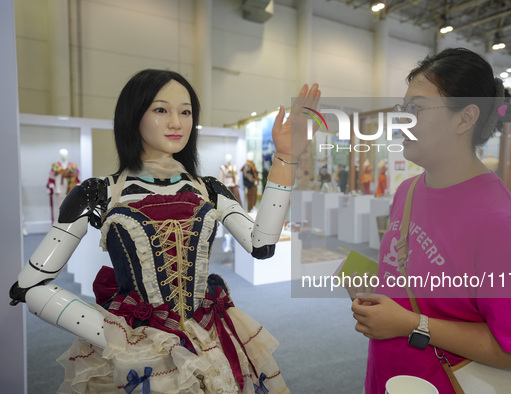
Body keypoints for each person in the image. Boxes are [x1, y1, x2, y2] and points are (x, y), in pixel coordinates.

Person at [10, 69, 320, 393]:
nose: (177, 122)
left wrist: (285, 160)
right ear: (134, 116)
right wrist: (115, 335)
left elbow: (261, 246)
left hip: (207, 338)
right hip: (135, 354)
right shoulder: (98, 193)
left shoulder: (209, 189)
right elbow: (29, 286)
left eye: (185, 112)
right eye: (161, 110)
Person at [350, 48, 511, 393]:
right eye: (402, 109)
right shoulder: (408, 191)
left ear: (465, 118)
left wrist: (411, 324)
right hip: (389, 380)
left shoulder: (500, 224)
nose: (401, 120)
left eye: (415, 109)